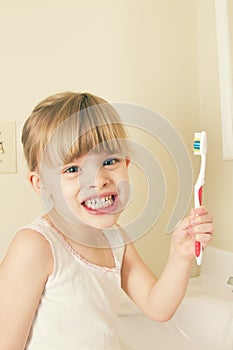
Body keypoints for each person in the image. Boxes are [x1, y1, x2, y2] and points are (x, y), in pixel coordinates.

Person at [0, 92, 213, 349]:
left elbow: (158, 306)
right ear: (41, 184)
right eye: (72, 169)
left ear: (126, 163)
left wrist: (180, 256)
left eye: (109, 161)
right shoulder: (35, 246)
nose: (98, 179)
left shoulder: (116, 239)